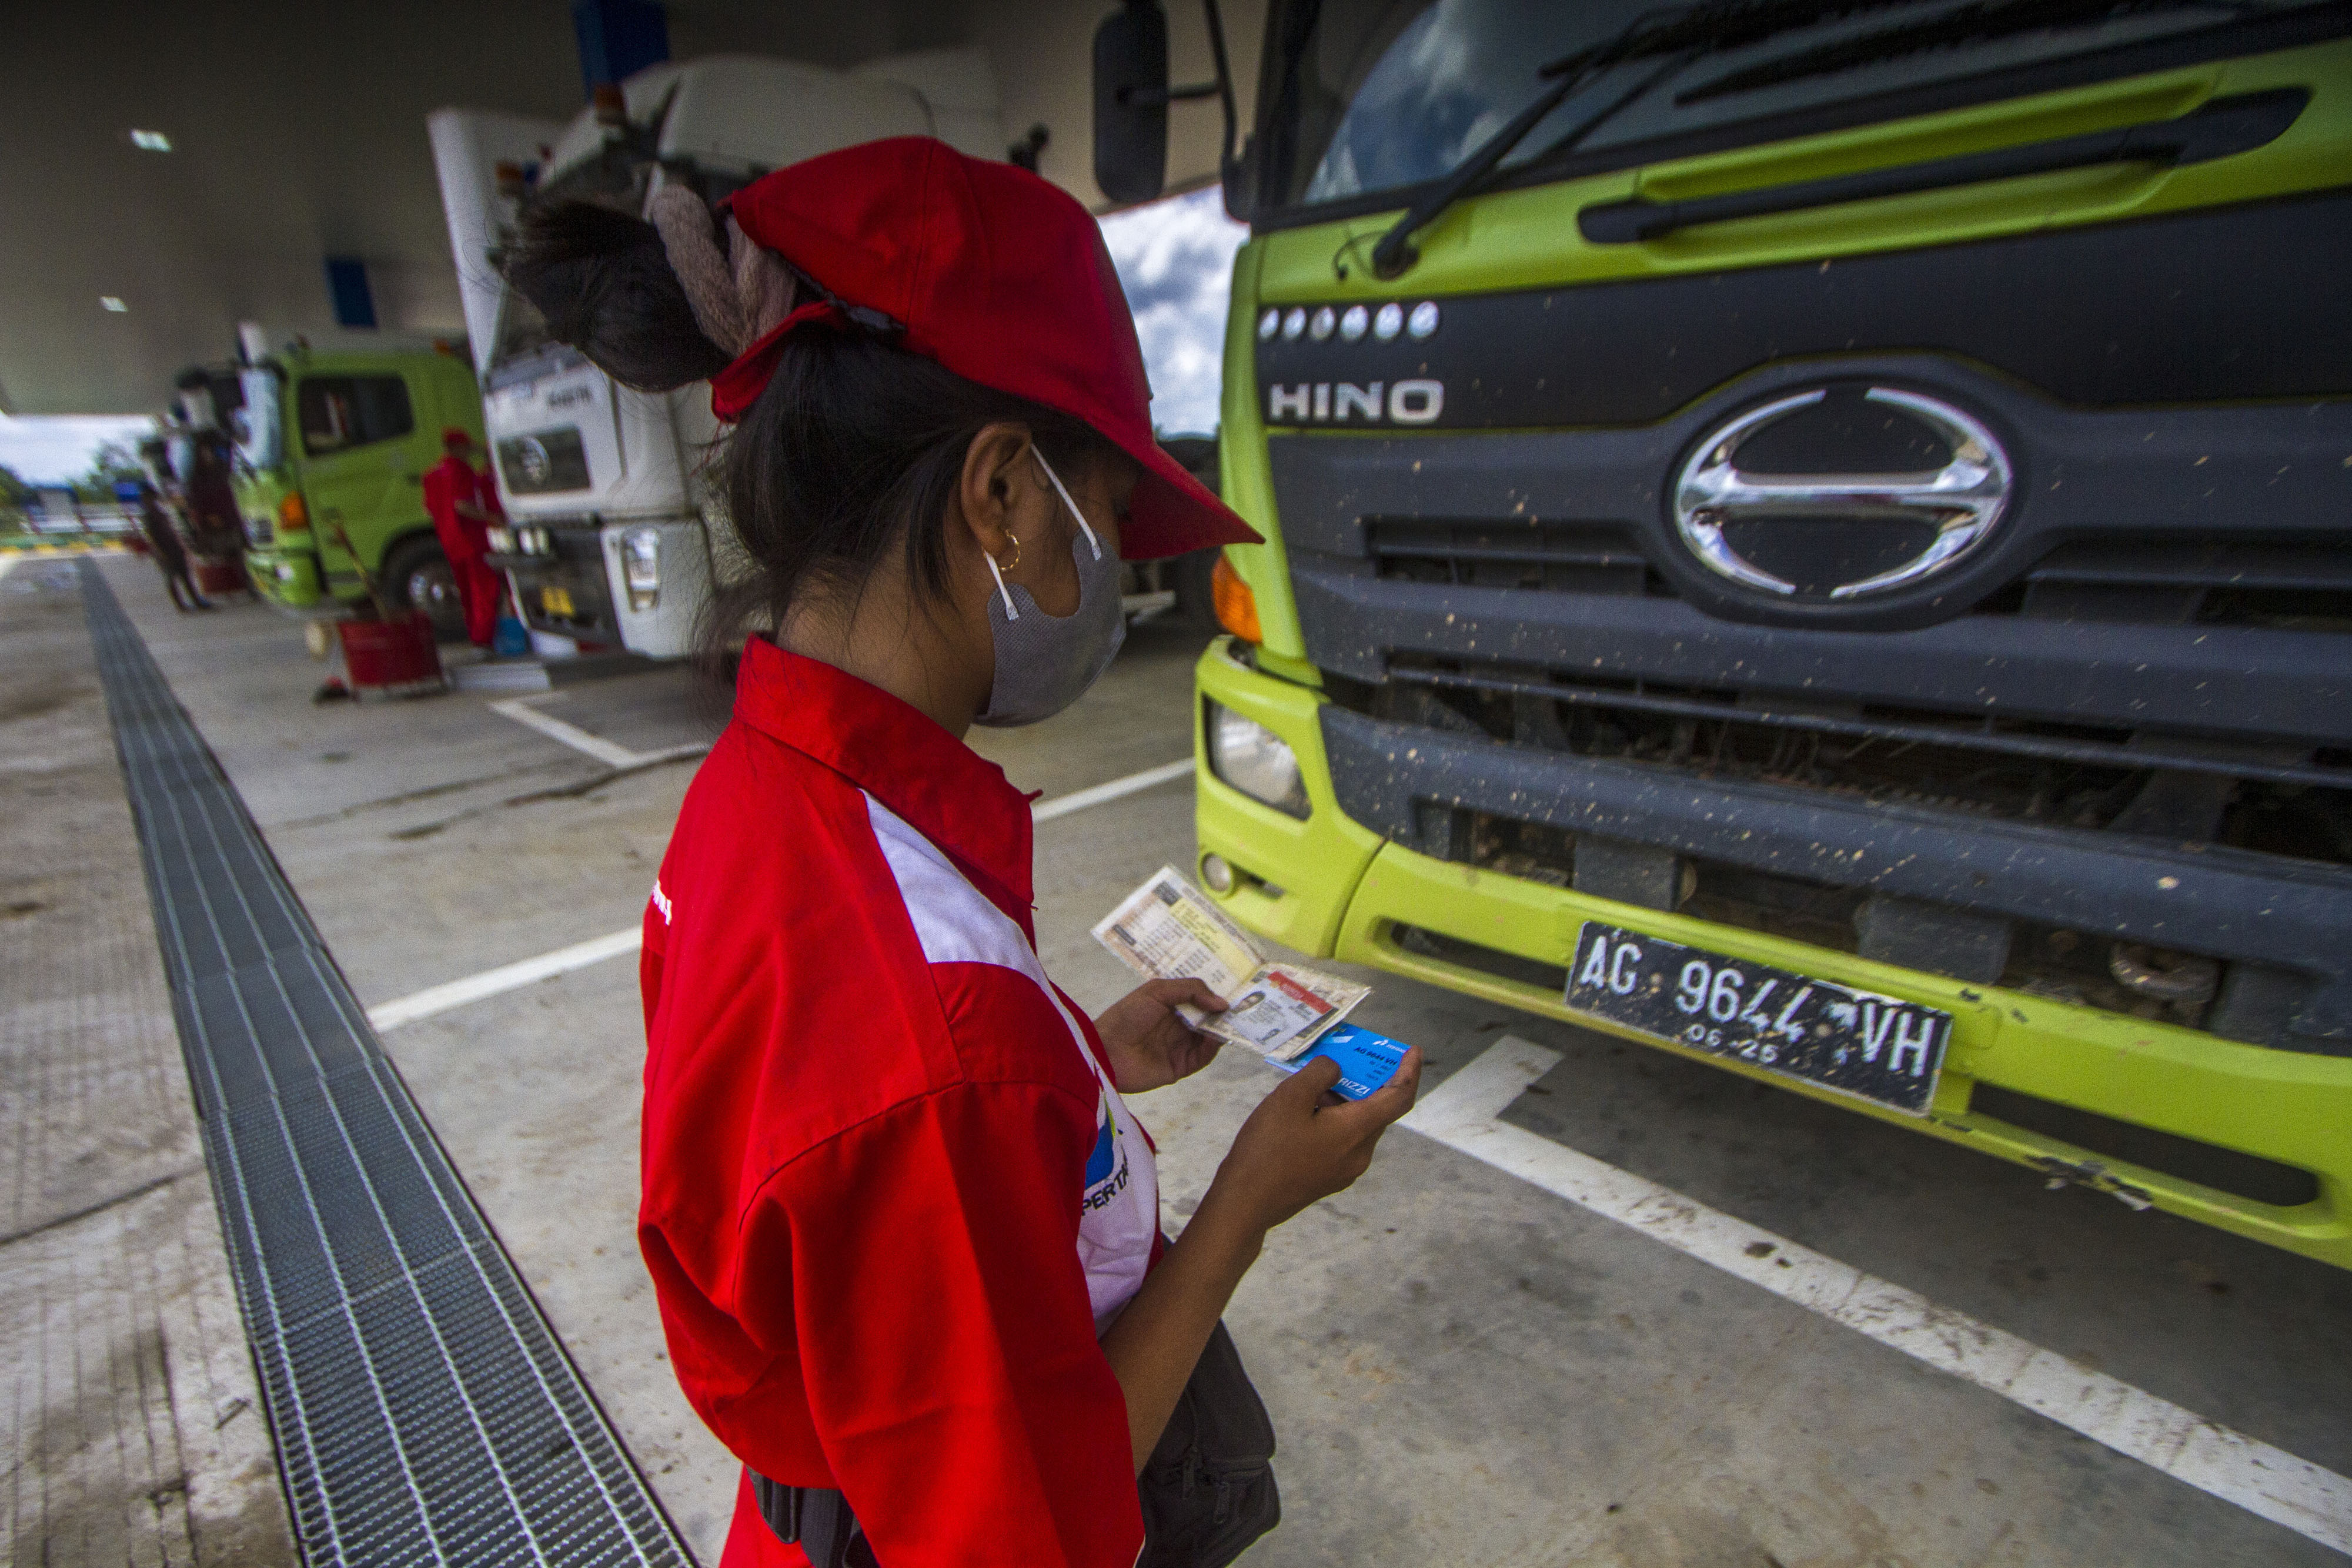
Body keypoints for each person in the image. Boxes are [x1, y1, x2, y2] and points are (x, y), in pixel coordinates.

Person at [505, 139, 1423, 1568]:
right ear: (1001, 493)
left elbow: (820, 1124)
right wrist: (1244, 1202)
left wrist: (1073, 1059)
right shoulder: (938, 1050)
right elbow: (1031, 1525)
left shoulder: (760, 797)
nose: (1125, 572)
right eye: (1112, 518)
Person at [420, 427, 506, 647]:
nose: (470, 451)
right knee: (484, 590)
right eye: (467, 447)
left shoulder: (431, 474)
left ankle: (475, 636)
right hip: (472, 539)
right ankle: (484, 638)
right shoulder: (461, 470)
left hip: (450, 541)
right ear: (458, 447)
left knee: (466, 592)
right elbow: (462, 505)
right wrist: (491, 517)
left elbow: (428, 509)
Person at [134, 480, 209, 611]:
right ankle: (181, 606)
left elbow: (172, 531)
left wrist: (181, 545)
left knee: (185, 575)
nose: (151, 499)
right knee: (171, 578)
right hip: (164, 550)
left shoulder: (159, 512)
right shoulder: (148, 516)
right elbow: (151, 538)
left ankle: (196, 601)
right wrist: (162, 553)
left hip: (174, 547)